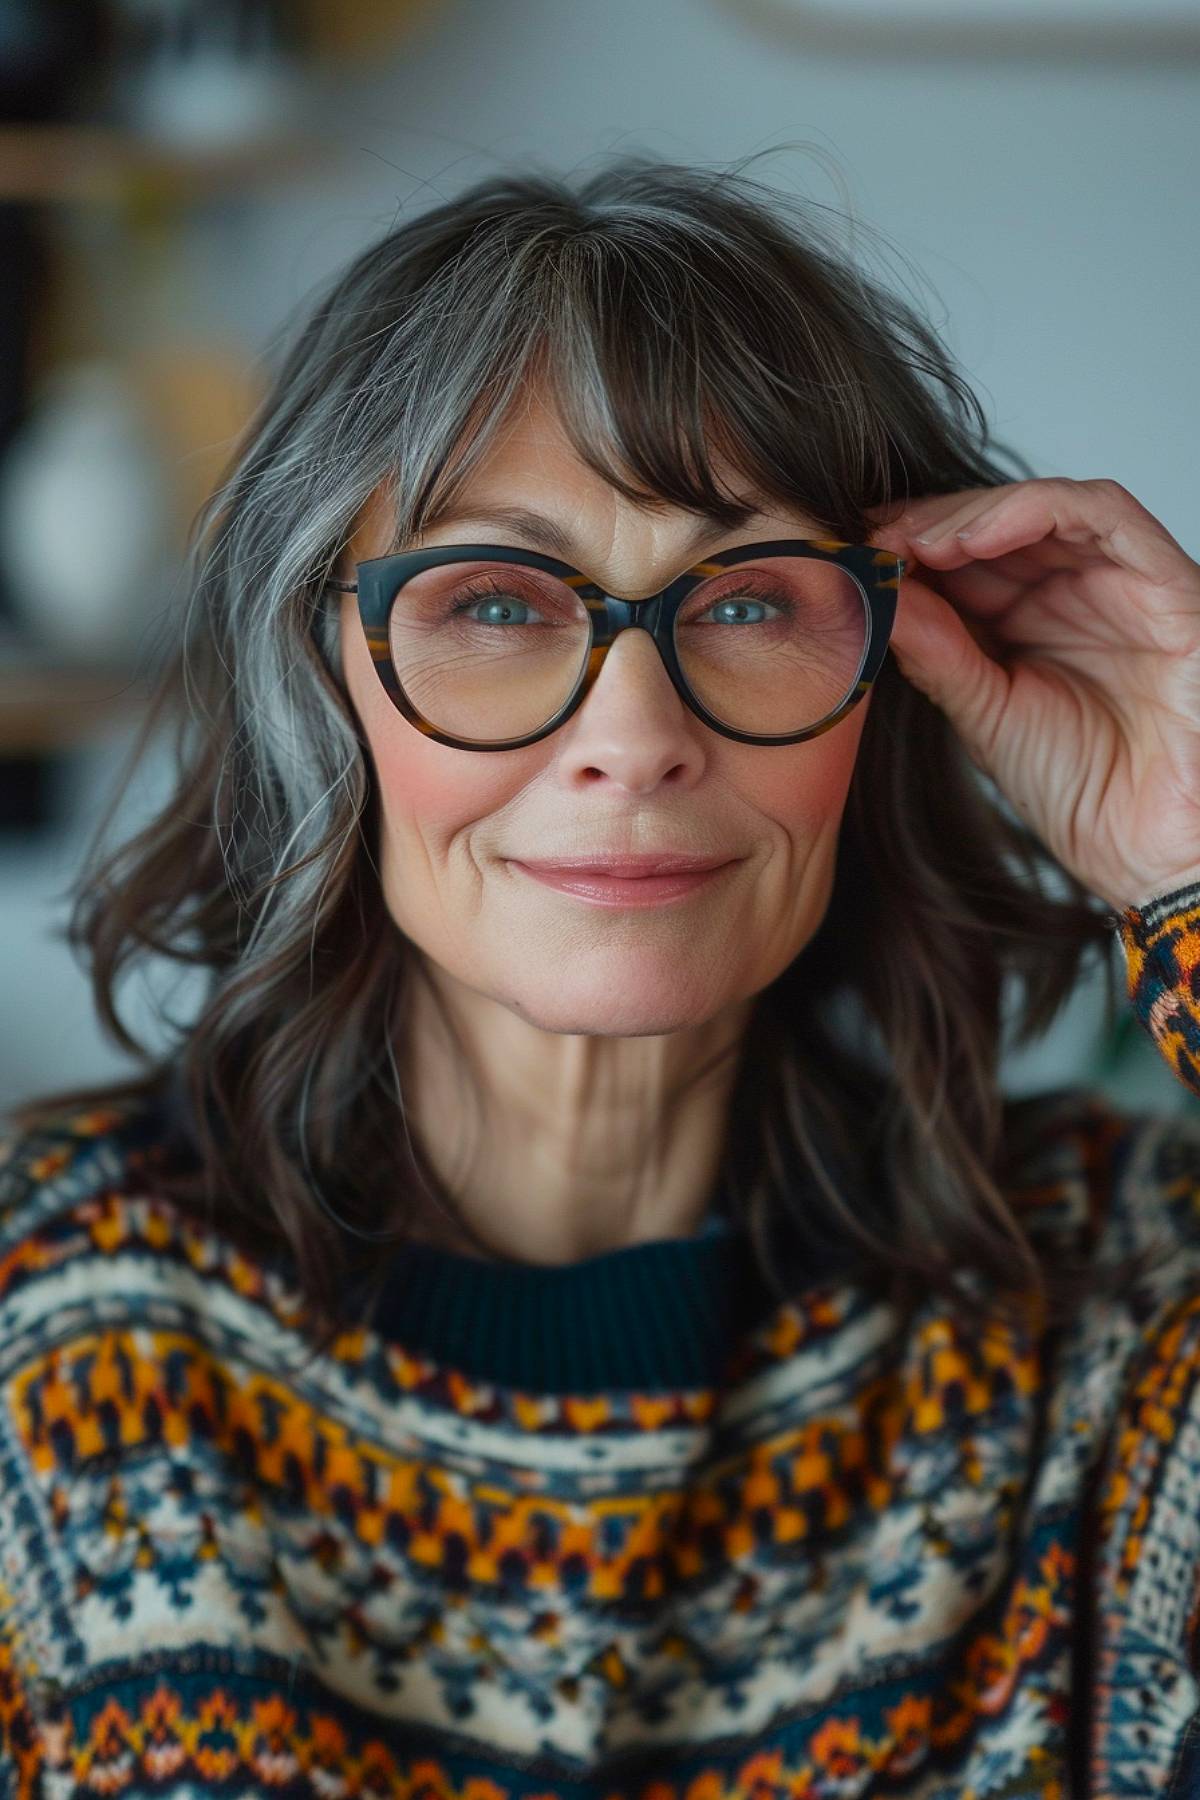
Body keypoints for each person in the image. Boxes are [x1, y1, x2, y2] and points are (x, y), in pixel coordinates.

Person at [2, 151, 1200, 1795]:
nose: (634, 741)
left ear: (895, 678)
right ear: (320, 678)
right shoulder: (41, 1338)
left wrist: (1193, 854)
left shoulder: (1115, 1307)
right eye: (494, 601)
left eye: (749, 600)